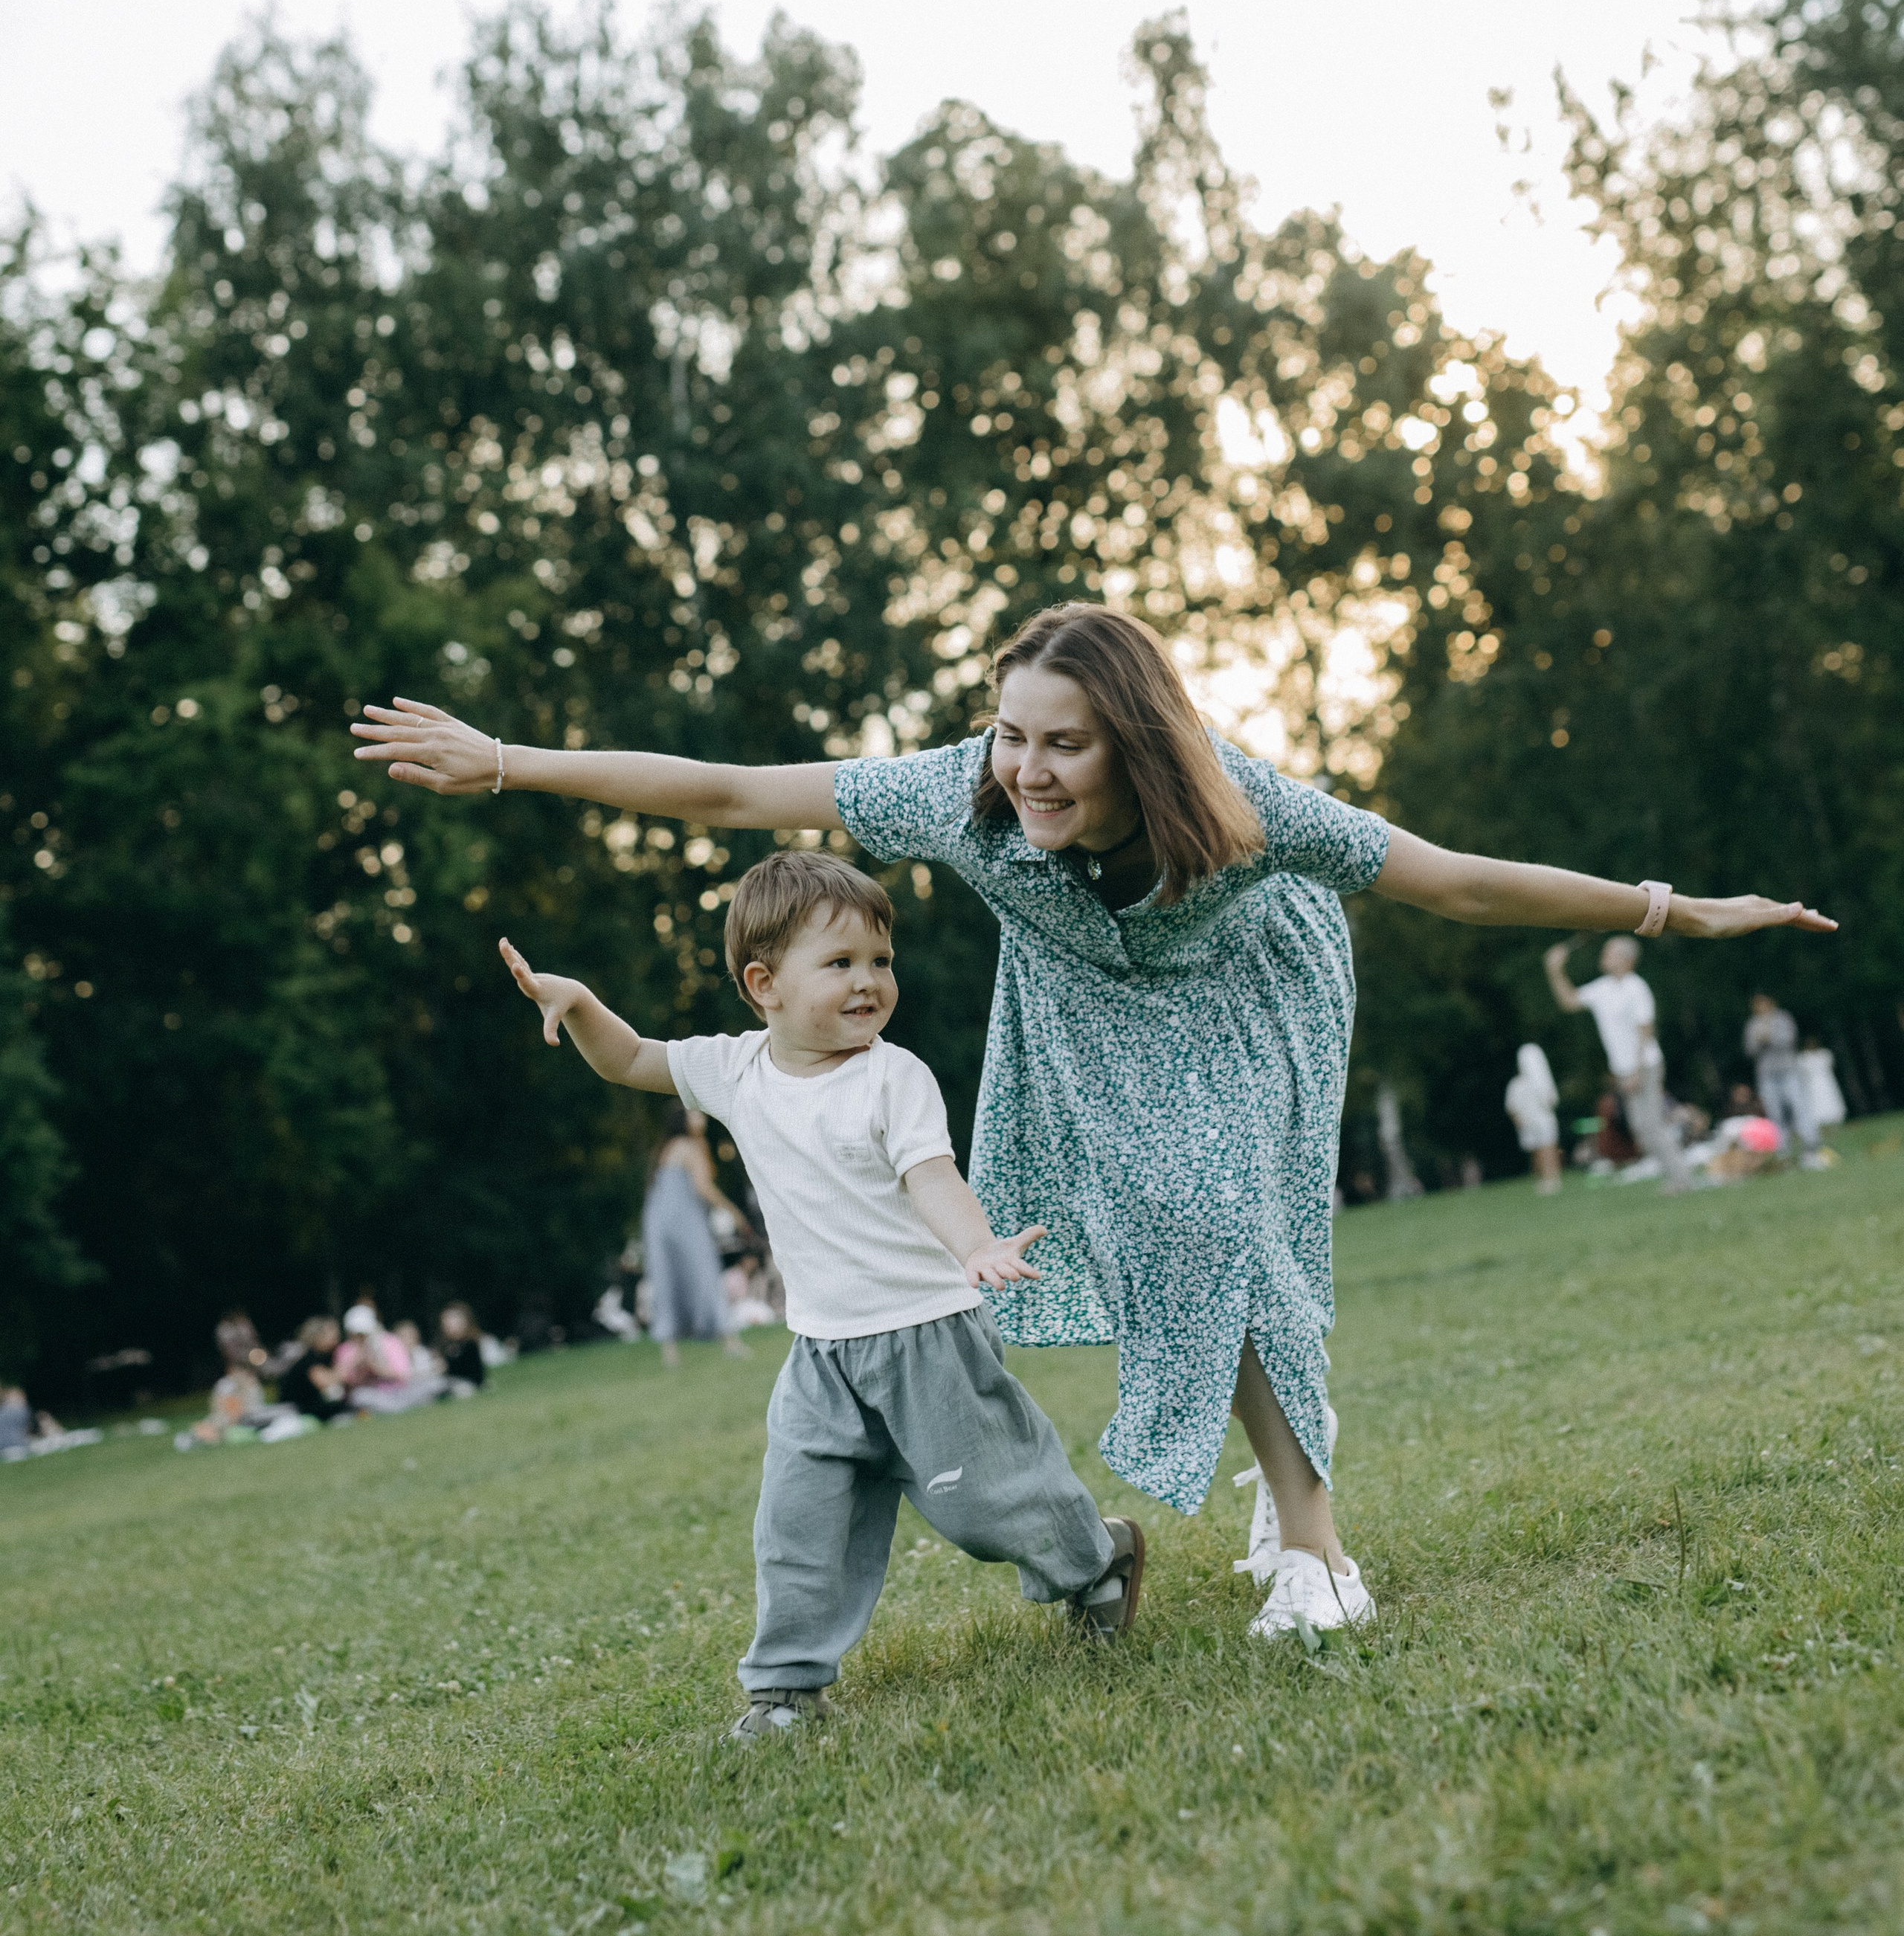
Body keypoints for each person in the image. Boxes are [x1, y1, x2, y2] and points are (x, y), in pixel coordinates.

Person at [354, 603, 1833, 1645]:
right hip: (1077, 1004)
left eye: (1060, 744)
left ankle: (1311, 1548)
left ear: (1134, 742)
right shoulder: (956, 793)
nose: (1024, 770)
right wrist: (514, 762)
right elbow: (736, 788)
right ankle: (1287, 1479)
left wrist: (1664, 907)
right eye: (1009, 735)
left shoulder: (1239, 802)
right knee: (1174, 1232)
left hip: (1251, 985)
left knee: (1215, 1218)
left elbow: (1446, 879)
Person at [499, 848, 1146, 1735]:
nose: (868, 982)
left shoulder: (893, 1076)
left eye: (880, 962)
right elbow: (632, 1060)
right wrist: (578, 1006)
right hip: (819, 1354)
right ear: (763, 984)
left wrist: (976, 1245)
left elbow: (932, 1178)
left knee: (986, 1504)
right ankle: (785, 1691)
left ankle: (1094, 1558)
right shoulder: (735, 1071)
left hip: (927, 1339)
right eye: (839, 963)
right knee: (798, 1524)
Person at [1543, 936, 1694, 1191]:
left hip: (1645, 1065)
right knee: (1640, 1127)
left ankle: (1682, 1180)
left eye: (1610, 953)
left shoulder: (1637, 988)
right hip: (1626, 1071)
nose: (1604, 956)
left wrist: (1635, 1071)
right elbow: (1569, 1002)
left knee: (1652, 1124)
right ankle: (1675, 1177)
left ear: (1627, 960)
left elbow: (1645, 1031)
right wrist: (1555, 971)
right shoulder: (1602, 988)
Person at [643, 1104, 752, 1368]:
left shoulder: (666, 1148)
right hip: (684, 1218)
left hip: (657, 1218)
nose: (701, 1117)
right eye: (696, 1113)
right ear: (684, 1120)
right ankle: (730, 1342)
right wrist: (735, 1213)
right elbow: (704, 1186)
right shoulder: (691, 1146)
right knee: (705, 1273)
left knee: (666, 1277)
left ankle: (670, 1354)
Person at [1743, 994, 1813, 1158]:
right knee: (1775, 1113)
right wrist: (1759, 1041)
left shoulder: (1782, 1019)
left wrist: (1770, 1038)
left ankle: (1810, 1144)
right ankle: (1783, 1151)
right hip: (1767, 1075)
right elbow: (1749, 1049)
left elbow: (1790, 1039)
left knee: (1799, 1107)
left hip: (1789, 1070)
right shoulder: (1753, 1025)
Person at [1504, 1041, 1563, 1193]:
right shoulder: (1516, 1084)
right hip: (1529, 1123)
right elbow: (1512, 1107)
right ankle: (1543, 1179)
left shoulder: (1540, 1081)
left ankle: (1553, 1178)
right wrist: (1519, 1121)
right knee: (1537, 1152)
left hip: (1543, 1121)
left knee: (1548, 1149)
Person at [274, 1316, 347, 1421]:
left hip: (307, 1407)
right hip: (293, 1409)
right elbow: (325, 1382)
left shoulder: (326, 1356)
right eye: (331, 1332)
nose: (336, 1336)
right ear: (317, 1336)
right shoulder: (308, 1358)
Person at [1795, 1032, 1846, 1165]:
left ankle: (1833, 1124)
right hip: (1811, 1086)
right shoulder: (1802, 1058)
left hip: (1826, 1082)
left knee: (1830, 1102)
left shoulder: (1825, 1054)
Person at [437, 1301, 489, 1389]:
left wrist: (447, 1366)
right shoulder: (447, 1345)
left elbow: (474, 1371)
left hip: (468, 1383)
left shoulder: (470, 1344)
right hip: (452, 1381)